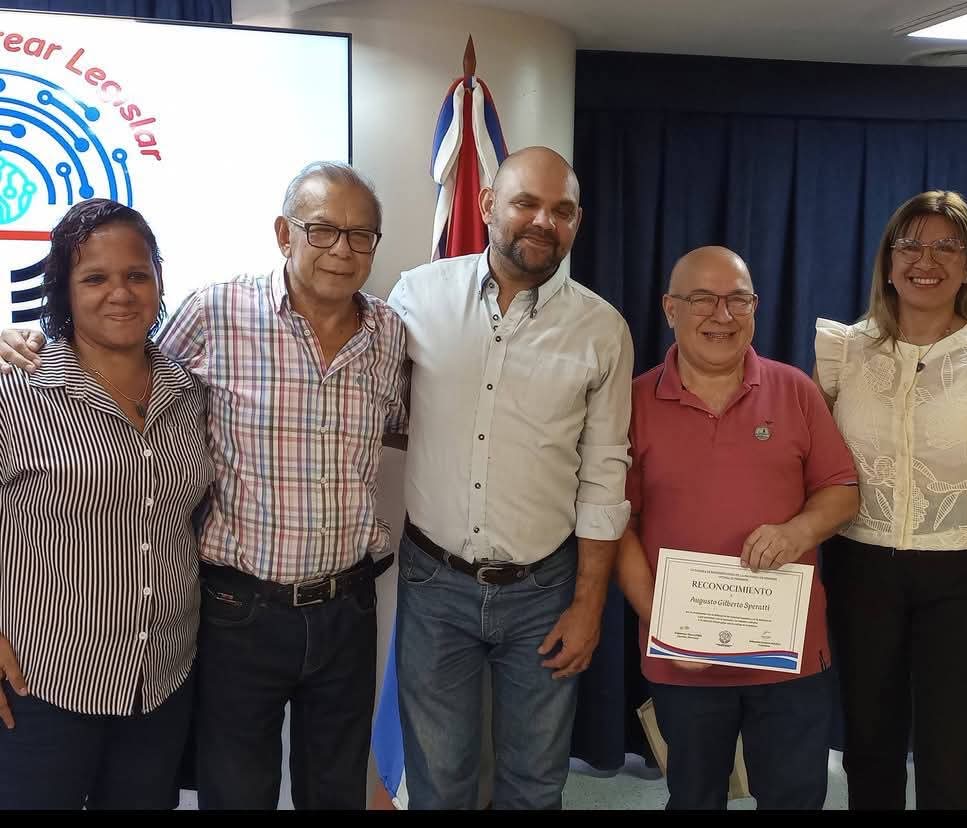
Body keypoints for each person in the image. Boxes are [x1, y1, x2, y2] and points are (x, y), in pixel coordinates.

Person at [0, 162, 409, 809]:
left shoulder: (387, 335)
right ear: (284, 233)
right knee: (235, 793)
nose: (342, 248)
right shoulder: (212, 314)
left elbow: (409, 427)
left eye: (362, 235)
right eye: (323, 229)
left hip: (307, 621)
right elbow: (107, 344)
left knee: (333, 791)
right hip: (194, 627)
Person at [386, 146, 634, 810]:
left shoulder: (602, 330)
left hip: (544, 591)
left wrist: (588, 606)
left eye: (563, 210)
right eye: (526, 203)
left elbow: (604, 476)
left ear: (577, 222)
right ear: (487, 204)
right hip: (434, 584)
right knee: (440, 782)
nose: (544, 221)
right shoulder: (417, 297)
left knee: (535, 783)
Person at [814, 190, 967, 810]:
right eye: (911, 244)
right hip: (861, 568)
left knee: (951, 754)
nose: (927, 260)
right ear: (888, 262)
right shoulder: (844, 350)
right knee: (869, 745)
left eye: (948, 246)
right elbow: (814, 467)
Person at [614, 246, 859, 811]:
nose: (722, 315)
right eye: (703, 299)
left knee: (795, 798)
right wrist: (663, 624)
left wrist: (798, 532)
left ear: (755, 307)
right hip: (685, 659)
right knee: (694, 797)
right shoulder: (632, 402)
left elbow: (843, 490)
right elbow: (617, 526)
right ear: (670, 308)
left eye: (738, 300)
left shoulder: (795, 390)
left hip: (788, 653)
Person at [0, 199, 213, 809]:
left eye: (136, 274)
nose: (120, 293)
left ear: (158, 282)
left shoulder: (188, 390)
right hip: (42, 685)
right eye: (95, 277)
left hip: (161, 680)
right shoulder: (19, 385)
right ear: (64, 290)